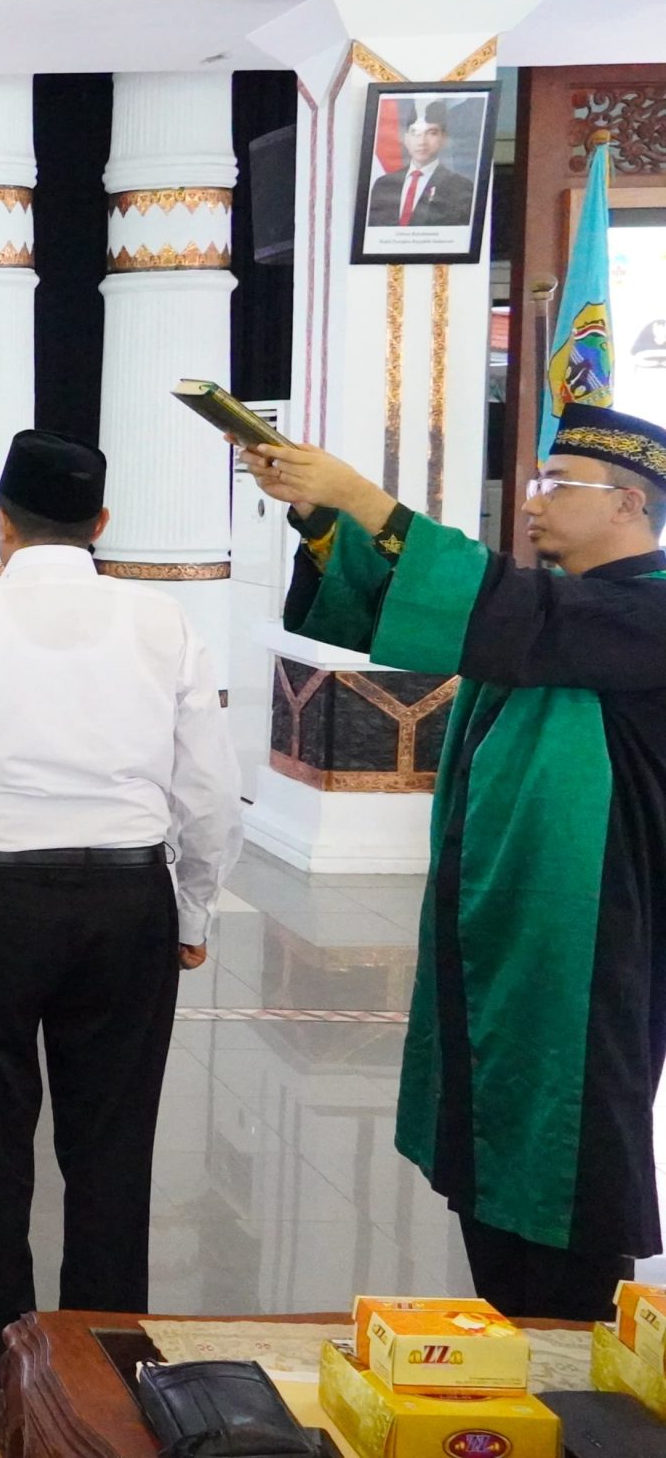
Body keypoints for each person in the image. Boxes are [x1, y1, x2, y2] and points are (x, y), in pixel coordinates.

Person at [237, 404, 666, 1319]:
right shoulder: (554, 613)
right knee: (497, 1136)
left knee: (568, 1147)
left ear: (631, 503)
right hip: (505, 926)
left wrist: (362, 497)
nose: (533, 502)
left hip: (593, 941)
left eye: (558, 485)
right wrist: (322, 520)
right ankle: (510, 1339)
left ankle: (575, 1358)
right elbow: (417, 615)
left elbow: (508, 609)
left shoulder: (645, 611)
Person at [0, 430, 241, 1412]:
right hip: (127, 901)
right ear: (101, 522)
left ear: (1, 524)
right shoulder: (162, 623)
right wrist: (194, 907)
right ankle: (104, 1356)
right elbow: (209, 787)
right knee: (113, 1137)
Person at [364, 98, 476, 232]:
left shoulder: (461, 188)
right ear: (406, 138)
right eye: (415, 133)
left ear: (444, 138)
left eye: (431, 133)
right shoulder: (383, 185)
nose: (422, 142)